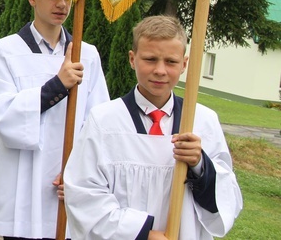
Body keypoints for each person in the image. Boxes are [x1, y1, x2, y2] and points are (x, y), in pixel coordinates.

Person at [64, 15, 243, 239]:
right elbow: (83, 193)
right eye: (150, 59)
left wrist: (200, 166)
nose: (160, 70)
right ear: (132, 59)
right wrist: (142, 233)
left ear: (185, 64)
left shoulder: (202, 121)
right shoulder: (104, 121)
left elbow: (227, 197)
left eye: (171, 61)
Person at [0, 0, 110, 240]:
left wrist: (78, 169)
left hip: (68, 181)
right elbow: (2, 112)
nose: (62, 4)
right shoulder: (5, 51)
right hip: (22, 180)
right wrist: (57, 85)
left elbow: (98, 121)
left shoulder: (87, 54)